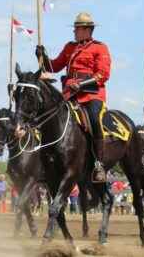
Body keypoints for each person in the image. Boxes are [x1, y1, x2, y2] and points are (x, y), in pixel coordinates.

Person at [36, 12, 111, 183]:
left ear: (87, 30)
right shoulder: (70, 47)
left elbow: (103, 74)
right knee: (49, 117)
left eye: (76, 29)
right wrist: (42, 55)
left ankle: (99, 164)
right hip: (70, 94)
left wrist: (82, 85)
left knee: (94, 119)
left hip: (91, 95)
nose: (74, 32)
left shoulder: (100, 47)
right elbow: (53, 67)